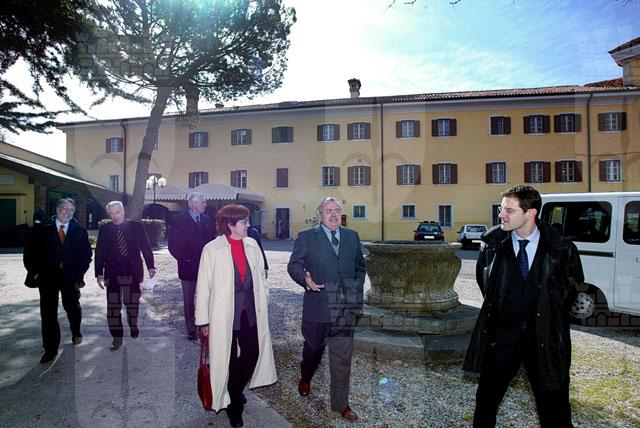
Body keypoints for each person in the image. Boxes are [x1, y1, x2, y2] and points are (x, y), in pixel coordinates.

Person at [463, 185, 585, 428]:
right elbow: (487, 286)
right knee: (485, 404)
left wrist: (546, 318)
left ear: (531, 213)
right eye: (501, 209)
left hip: (543, 339)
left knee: (555, 409)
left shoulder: (561, 249)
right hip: (501, 339)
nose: (501, 215)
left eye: (509, 210)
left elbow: (571, 291)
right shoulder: (491, 245)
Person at [195, 204, 276, 428]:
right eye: (243, 222)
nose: (248, 225)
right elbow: (203, 287)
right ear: (230, 225)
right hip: (222, 315)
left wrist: (264, 298)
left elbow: (262, 276)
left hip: (250, 312)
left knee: (253, 352)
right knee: (227, 359)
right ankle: (234, 408)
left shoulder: (252, 245)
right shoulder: (212, 249)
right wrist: (203, 321)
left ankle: (234, 389)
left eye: (247, 221)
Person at [287, 196, 366, 422]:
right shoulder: (306, 237)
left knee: (342, 358)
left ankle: (341, 404)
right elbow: (294, 265)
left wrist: (354, 291)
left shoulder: (352, 236)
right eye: (328, 210)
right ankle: (306, 377)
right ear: (320, 214)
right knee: (313, 351)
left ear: (342, 214)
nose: (333, 215)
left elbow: (360, 267)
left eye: (337, 210)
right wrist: (305, 279)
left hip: (344, 309)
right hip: (317, 306)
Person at [23, 198, 92, 363]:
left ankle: (76, 330)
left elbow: (86, 256)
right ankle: (50, 349)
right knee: (48, 313)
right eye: (64, 208)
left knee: (72, 307)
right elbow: (29, 254)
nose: (67, 212)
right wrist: (35, 272)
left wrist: (79, 274)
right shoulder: (41, 229)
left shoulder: (79, 231)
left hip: (70, 277)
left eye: (71, 210)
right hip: (47, 277)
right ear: (57, 209)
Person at [95, 201, 156, 351]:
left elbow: (145, 247)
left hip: (132, 271)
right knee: (113, 307)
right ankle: (117, 338)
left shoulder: (136, 226)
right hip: (112, 272)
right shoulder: (105, 229)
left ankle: (133, 323)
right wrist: (99, 273)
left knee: (132, 303)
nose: (115, 216)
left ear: (123, 211)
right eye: (111, 213)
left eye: (117, 212)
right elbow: (100, 251)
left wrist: (151, 266)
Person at [168, 192, 214, 341]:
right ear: (194, 204)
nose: (205, 205)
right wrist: (185, 260)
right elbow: (173, 246)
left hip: (206, 267)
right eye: (203, 202)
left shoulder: (207, 220)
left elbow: (212, 242)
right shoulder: (178, 221)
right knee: (188, 300)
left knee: (206, 297)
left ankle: (205, 326)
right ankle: (191, 329)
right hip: (187, 268)